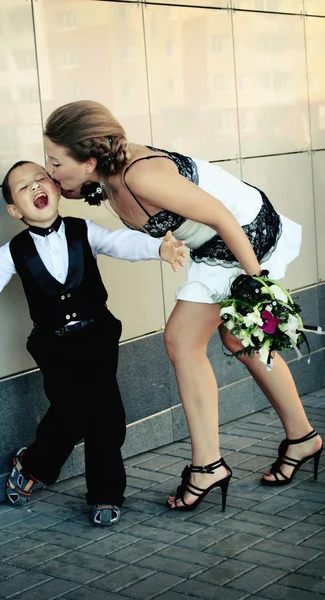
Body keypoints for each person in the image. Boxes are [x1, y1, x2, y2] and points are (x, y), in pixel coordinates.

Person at [42, 100, 323, 512]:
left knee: (183, 340)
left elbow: (222, 217)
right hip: (214, 246)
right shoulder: (104, 174)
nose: (50, 170)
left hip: (241, 237)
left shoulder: (143, 176)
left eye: (54, 162)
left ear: (88, 161)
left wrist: (258, 286)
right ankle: (302, 439)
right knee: (237, 340)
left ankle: (209, 465)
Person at [0, 160, 186, 526]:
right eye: (23, 188)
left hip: (97, 337)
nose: (34, 188)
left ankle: (105, 493)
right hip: (55, 346)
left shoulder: (84, 230)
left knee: (107, 415)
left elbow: (119, 241)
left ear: (57, 188)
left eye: (40, 179)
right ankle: (31, 464)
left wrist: (159, 248)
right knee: (70, 414)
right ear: (14, 209)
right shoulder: (13, 251)